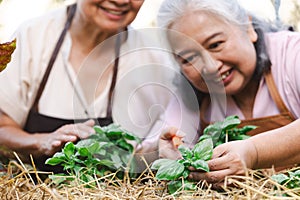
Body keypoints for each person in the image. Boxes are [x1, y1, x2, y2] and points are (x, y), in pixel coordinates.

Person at [0, 0, 176, 173]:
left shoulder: (153, 61)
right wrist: (41, 142)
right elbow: (3, 127)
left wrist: (158, 151)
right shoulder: (34, 36)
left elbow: (146, 149)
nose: (121, 1)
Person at [156, 0, 300, 185]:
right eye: (189, 58)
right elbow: (164, 143)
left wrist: (254, 152)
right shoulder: (187, 91)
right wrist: (172, 153)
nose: (210, 67)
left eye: (216, 44)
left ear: (248, 28)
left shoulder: (292, 54)